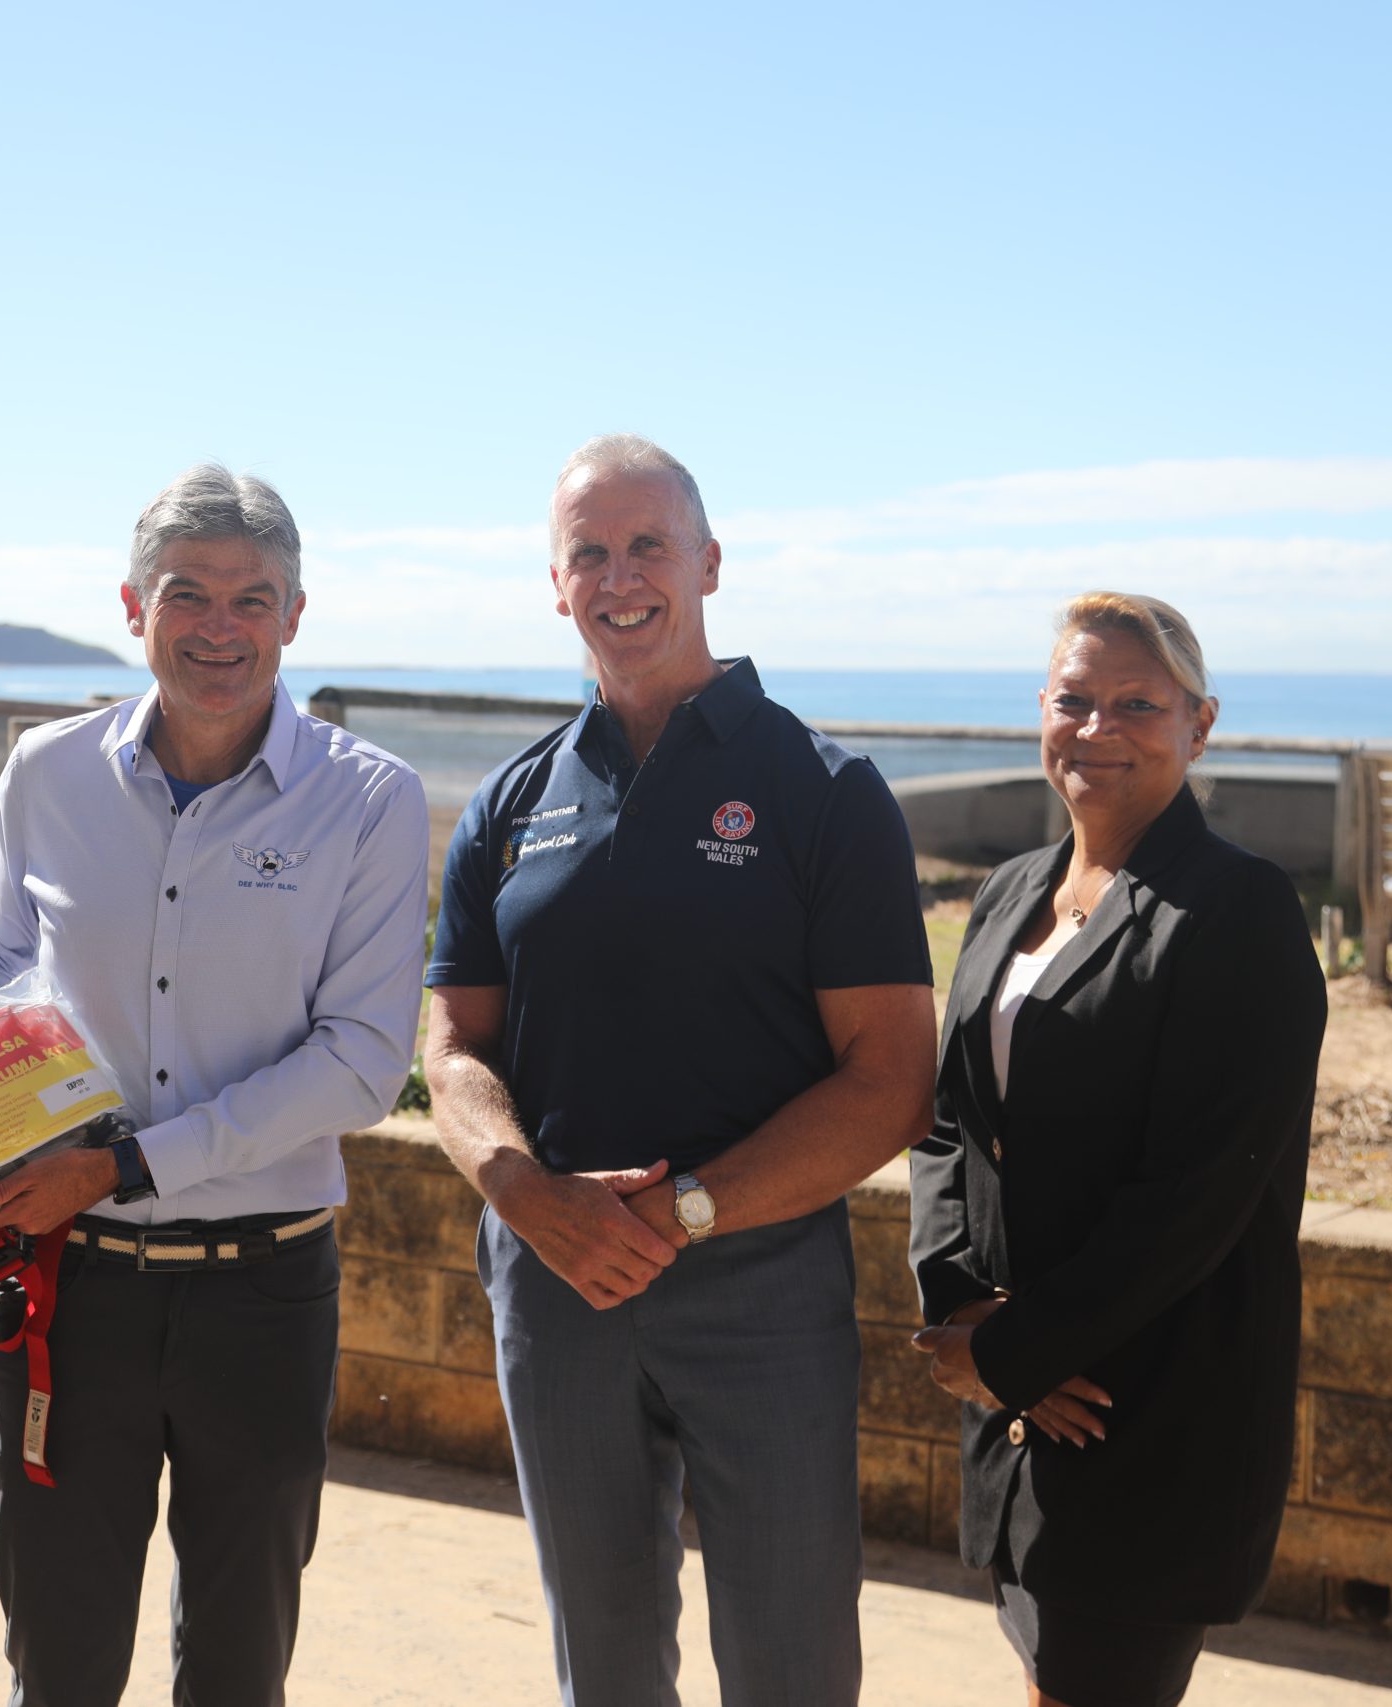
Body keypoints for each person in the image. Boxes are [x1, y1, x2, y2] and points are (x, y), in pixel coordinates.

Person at [423, 434, 936, 1706]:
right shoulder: (508, 801)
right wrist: (523, 1192)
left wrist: (687, 1208)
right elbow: (451, 1044)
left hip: (757, 1283)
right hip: (553, 1282)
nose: (620, 576)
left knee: (789, 1655)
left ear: (708, 562)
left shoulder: (823, 791)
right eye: (587, 553)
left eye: (648, 544)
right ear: (554, 584)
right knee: (600, 1655)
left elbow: (890, 1078)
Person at [0, 463, 429, 1707]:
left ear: (295, 616)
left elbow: (364, 1059)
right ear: (132, 604)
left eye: (252, 599)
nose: (220, 628)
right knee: (55, 1653)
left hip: (261, 1298)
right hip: (68, 1286)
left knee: (237, 1664)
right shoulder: (45, 773)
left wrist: (125, 1164)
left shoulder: (370, 802)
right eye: (188, 595)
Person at [906, 593, 1327, 1707]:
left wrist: (1017, 1352)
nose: (1098, 729)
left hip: (1145, 1411)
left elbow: (1199, 1195)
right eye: (1073, 701)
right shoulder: (1008, 894)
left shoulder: (1235, 912)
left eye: (1136, 704)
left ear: (1200, 723)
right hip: (1022, 1407)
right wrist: (960, 1316)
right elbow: (949, 1121)